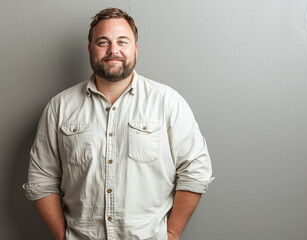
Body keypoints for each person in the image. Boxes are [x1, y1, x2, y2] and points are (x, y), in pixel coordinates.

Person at [23, 7, 214, 240]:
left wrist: (172, 233)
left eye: (122, 41)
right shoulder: (60, 107)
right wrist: (62, 237)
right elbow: (41, 178)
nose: (113, 50)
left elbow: (196, 171)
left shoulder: (167, 102)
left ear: (135, 49)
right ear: (90, 49)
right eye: (103, 42)